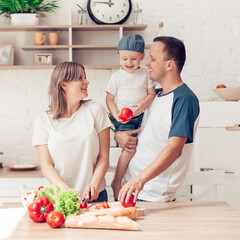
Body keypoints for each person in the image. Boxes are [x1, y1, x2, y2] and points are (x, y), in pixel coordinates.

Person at [116, 36, 200, 203]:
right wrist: (119, 135)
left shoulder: (184, 99)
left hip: (153, 195)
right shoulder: (154, 96)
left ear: (170, 64)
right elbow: (138, 131)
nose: (146, 63)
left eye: (152, 59)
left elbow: (174, 149)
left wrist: (139, 180)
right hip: (132, 190)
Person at [32, 61, 111, 202]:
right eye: (80, 78)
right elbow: (46, 166)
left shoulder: (95, 110)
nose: (86, 82)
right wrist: (66, 191)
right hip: (59, 198)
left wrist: (94, 184)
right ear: (64, 85)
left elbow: (104, 156)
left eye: (85, 77)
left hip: (94, 196)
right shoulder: (43, 120)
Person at [105, 34, 156, 200]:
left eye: (134, 58)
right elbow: (110, 98)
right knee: (129, 149)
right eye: (125, 58)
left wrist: (142, 105)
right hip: (125, 119)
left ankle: (133, 180)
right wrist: (116, 115)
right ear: (118, 55)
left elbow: (151, 93)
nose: (129, 62)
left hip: (142, 116)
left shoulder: (145, 75)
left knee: (142, 148)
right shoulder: (117, 77)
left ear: (142, 57)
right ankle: (117, 181)